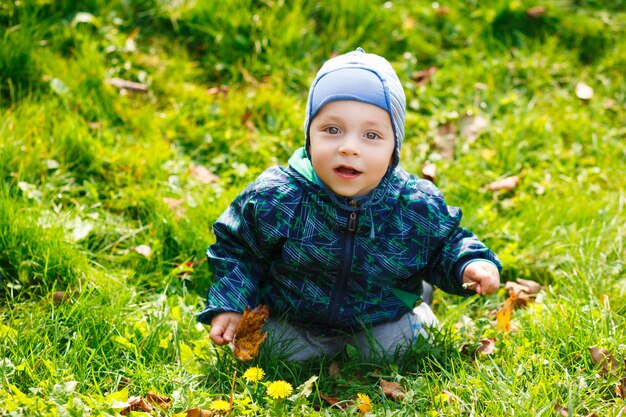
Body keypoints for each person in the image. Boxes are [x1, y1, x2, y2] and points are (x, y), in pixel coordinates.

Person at [198, 48, 501, 361]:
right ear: (309, 137)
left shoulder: (412, 204)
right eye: (332, 130)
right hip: (294, 316)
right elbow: (238, 251)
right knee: (269, 349)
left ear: (393, 148)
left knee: (402, 346)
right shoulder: (278, 197)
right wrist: (231, 304)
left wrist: (469, 263)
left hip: (378, 316)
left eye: (371, 135)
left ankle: (416, 299)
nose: (349, 148)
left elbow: (446, 244)